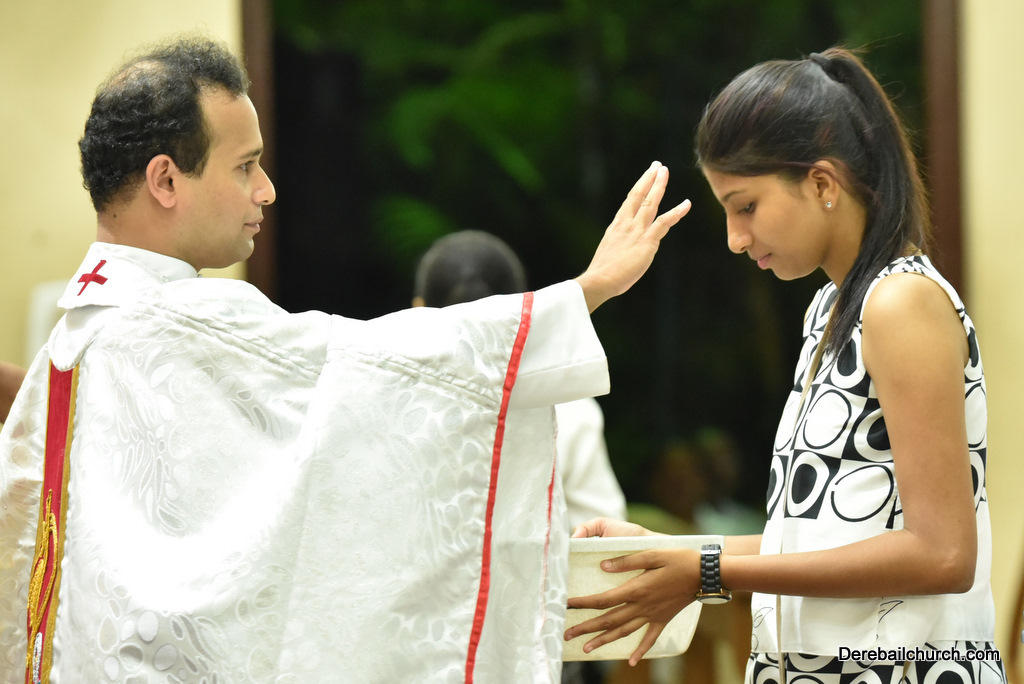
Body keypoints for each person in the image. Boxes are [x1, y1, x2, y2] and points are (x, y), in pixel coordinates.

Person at [0, 35, 691, 683]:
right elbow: (381, 368)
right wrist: (587, 291)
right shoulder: (183, 324)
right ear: (166, 180)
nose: (266, 189)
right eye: (244, 166)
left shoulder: (75, 344)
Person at [564, 47, 1008, 684]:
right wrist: (670, 554)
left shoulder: (900, 302)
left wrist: (708, 570)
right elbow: (817, 536)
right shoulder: (833, 306)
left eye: (745, 206)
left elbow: (943, 555)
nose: (734, 238)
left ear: (822, 183)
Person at [411, 230, 629, 530]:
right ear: (523, 308)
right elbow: (604, 529)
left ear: (418, 307)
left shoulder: (389, 395)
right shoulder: (569, 406)